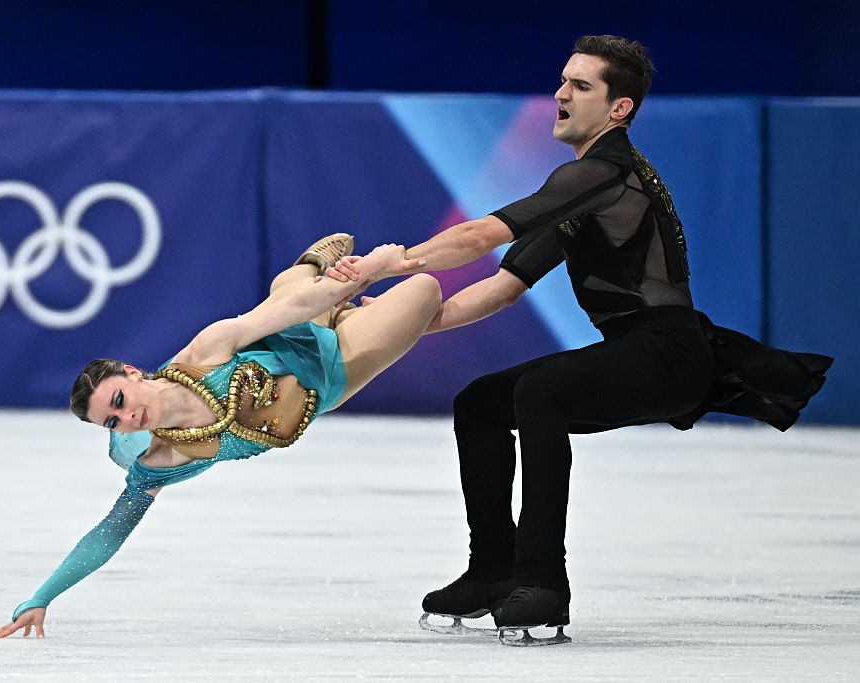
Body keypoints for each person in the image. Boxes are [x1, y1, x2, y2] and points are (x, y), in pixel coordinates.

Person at [328, 35, 832, 645]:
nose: (561, 93)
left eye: (581, 85)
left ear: (619, 108)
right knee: (481, 404)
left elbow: (479, 237)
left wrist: (387, 265)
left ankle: (542, 584)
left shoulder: (604, 172)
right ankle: (492, 571)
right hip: (640, 350)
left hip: (669, 352)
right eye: (564, 80)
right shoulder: (583, 189)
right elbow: (502, 288)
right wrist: (402, 320)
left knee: (542, 391)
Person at [0, 233, 442, 639]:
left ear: (132, 372)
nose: (127, 418)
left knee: (296, 299)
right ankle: (333, 297)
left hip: (288, 334)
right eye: (112, 421)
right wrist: (42, 596)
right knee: (420, 296)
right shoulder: (158, 461)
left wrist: (371, 269)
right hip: (327, 377)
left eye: (120, 401)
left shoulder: (204, 352)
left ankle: (312, 267)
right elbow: (109, 533)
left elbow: (293, 312)